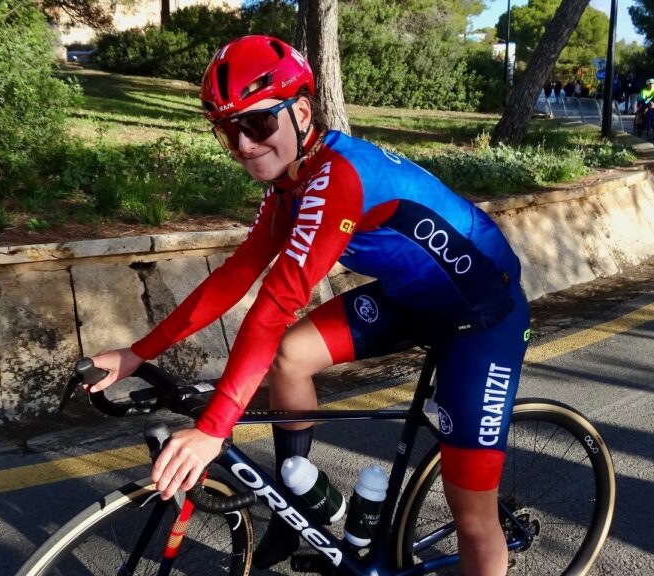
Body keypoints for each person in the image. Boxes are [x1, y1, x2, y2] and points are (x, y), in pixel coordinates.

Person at [87, 35, 530, 576]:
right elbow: (236, 277)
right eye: (229, 130)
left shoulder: (337, 178)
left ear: (300, 112)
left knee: (473, 517)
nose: (244, 145)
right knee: (290, 356)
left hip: (481, 316)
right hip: (411, 300)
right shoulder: (293, 182)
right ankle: (295, 506)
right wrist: (137, 353)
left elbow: (274, 305)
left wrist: (214, 428)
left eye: (256, 124)